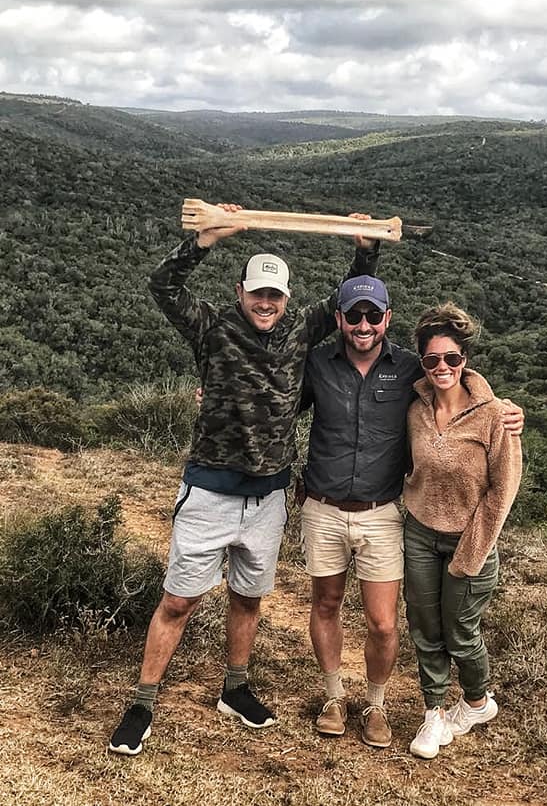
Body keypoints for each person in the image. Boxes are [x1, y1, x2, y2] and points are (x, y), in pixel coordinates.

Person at [107, 204, 380, 756]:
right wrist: (205, 239)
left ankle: (235, 688)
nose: (265, 303)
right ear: (240, 292)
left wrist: (365, 244)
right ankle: (142, 702)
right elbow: (163, 285)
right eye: (257, 292)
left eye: (275, 295)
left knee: (247, 598)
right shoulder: (212, 328)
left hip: (269, 497)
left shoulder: (301, 329)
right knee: (178, 601)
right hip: (209, 490)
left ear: (285, 299)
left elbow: (350, 299)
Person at [298, 277, 523, 749]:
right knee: (330, 605)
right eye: (353, 315)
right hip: (328, 508)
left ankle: (378, 704)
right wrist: (217, 398)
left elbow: (478, 422)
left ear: (387, 319)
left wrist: (511, 411)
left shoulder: (409, 372)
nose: (363, 324)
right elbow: (275, 403)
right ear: (339, 317)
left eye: (373, 315)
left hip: (383, 513)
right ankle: (336, 698)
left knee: (385, 622)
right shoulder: (321, 363)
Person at [402, 302, 522, 760]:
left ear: (464, 359)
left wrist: (471, 552)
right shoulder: (414, 409)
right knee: (424, 626)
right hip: (418, 532)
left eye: (451, 358)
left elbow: (502, 491)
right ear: (422, 362)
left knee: (461, 631)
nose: (441, 367)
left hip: (469, 540)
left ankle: (476, 702)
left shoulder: (495, 416)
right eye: (431, 360)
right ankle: (433, 713)